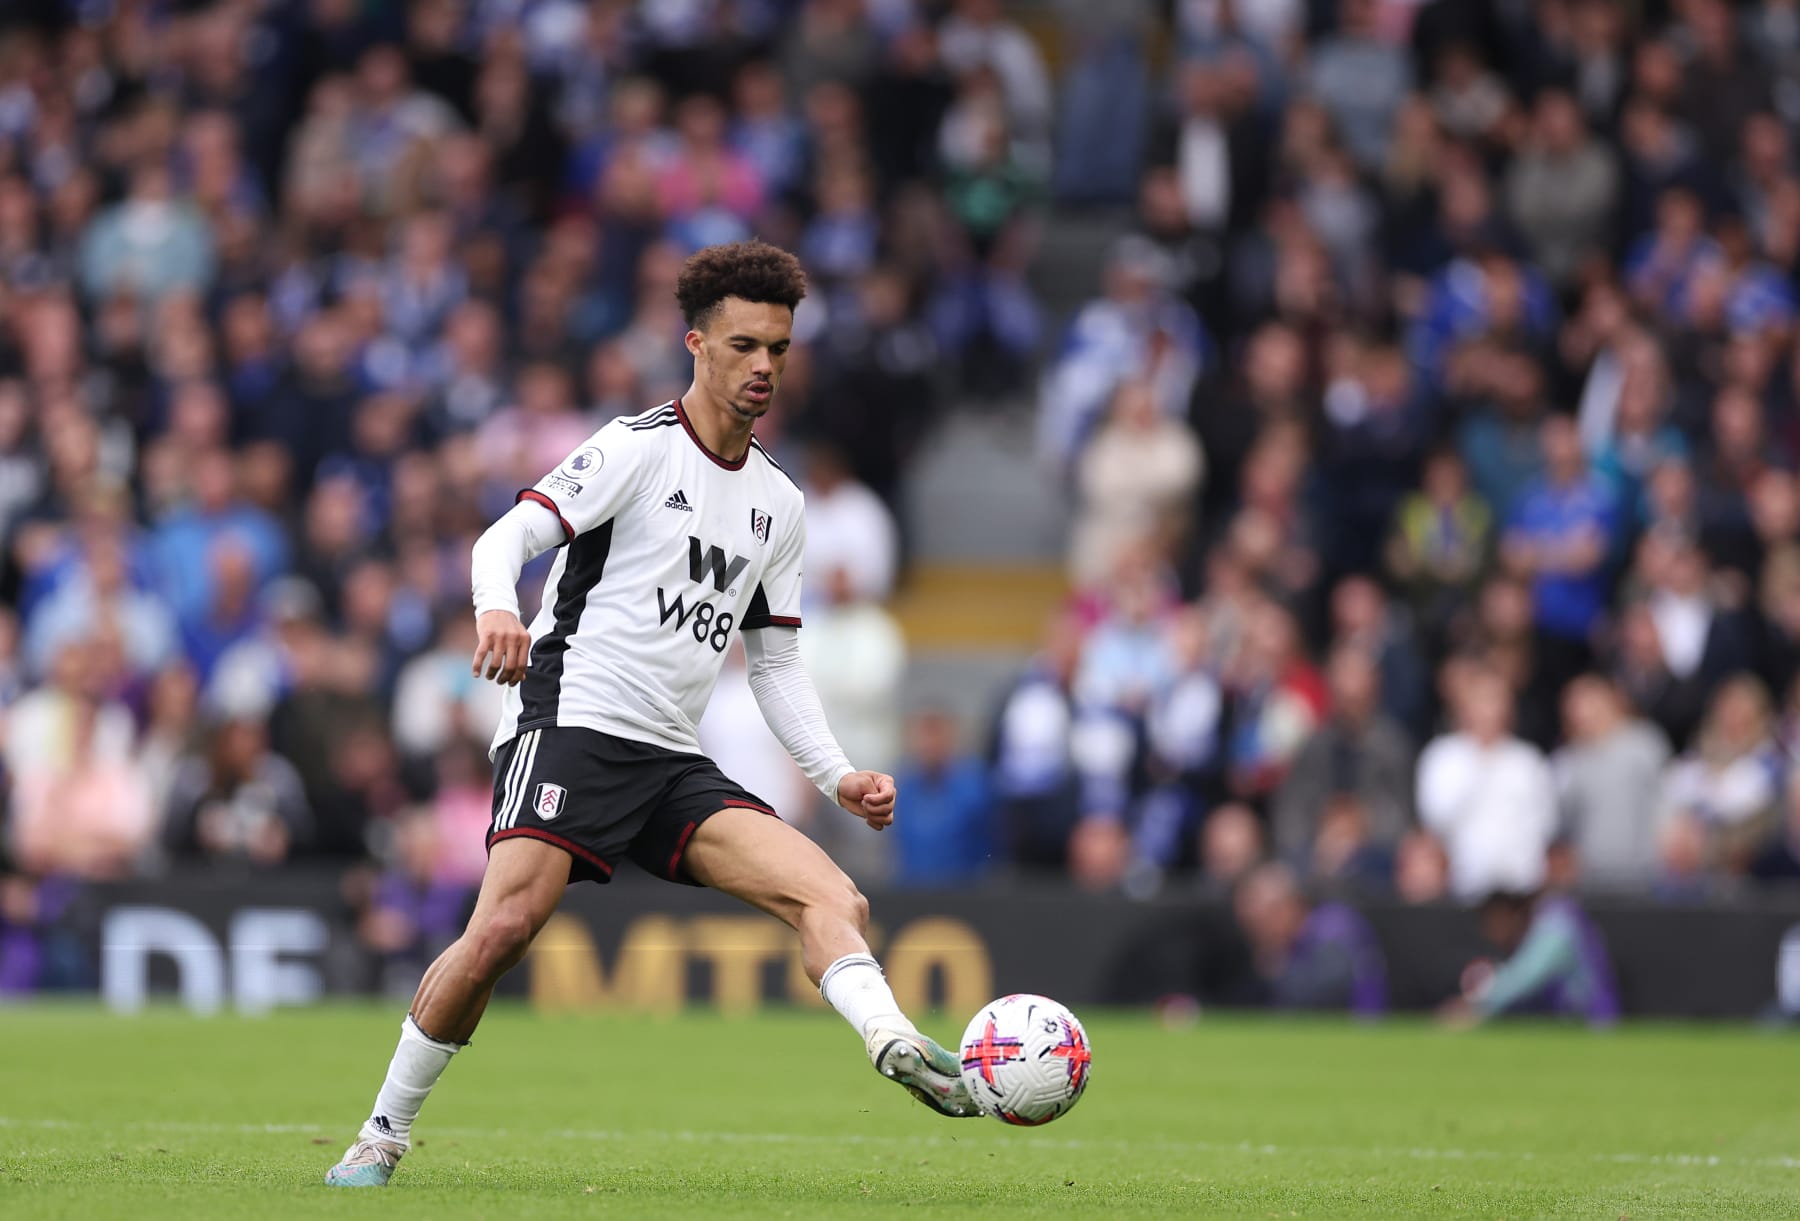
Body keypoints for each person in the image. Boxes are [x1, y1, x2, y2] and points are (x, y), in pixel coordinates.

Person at [326, 242, 975, 1189]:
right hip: (574, 723)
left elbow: (777, 664)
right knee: (504, 928)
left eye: (781, 350)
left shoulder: (780, 505)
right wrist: (497, 608)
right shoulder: (635, 448)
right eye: (745, 344)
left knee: (836, 897)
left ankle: (895, 1044)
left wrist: (836, 773)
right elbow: (505, 537)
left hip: (673, 756)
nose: (764, 367)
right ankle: (381, 1133)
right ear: (697, 344)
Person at [1441, 890, 1620, 1028]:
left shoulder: (1557, 923)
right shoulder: (1543, 920)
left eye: (1498, 919)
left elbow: (1525, 977)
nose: (1494, 931)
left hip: (1593, 1025)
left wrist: (1473, 1008)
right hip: (1564, 1026)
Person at [1232, 862, 1388, 1017]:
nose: (1258, 933)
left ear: (1287, 907)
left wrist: (1276, 969)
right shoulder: (1291, 945)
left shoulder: (1333, 927)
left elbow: (1327, 995)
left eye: (1261, 920)